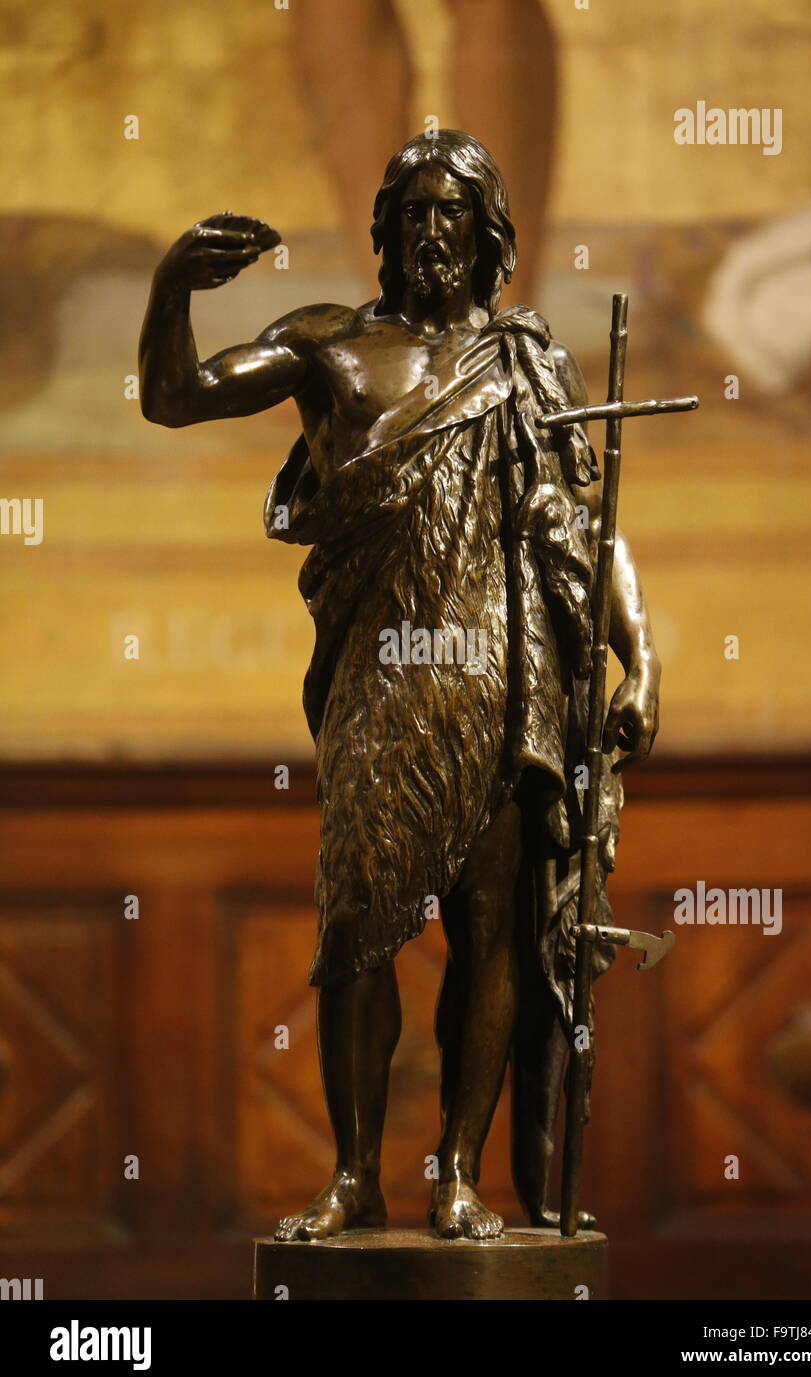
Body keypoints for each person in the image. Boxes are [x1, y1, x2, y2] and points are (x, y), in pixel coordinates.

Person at [139, 131, 660, 1240]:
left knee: (488, 931)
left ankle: (459, 1171)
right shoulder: (331, 347)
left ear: (488, 234)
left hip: (502, 679)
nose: (430, 231)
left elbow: (590, 523)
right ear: (384, 232)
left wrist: (641, 654)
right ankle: (353, 1176)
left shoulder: (526, 362)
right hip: (380, 681)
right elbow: (175, 398)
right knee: (354, 932)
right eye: (411, 212)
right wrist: (169, 288)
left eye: (451, 213)